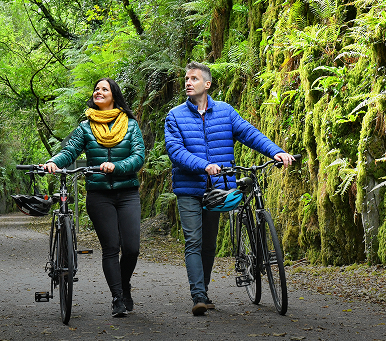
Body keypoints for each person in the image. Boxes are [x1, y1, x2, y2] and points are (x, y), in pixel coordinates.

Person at [164, 61, 294, 316]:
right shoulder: (175, 115)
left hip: (219, 189)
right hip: (189, 188)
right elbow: (175, 151)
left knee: (209, 244)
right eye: (186, 79)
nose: (188, 83)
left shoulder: (225, 111)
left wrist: (276, 152)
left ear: (207, 84)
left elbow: (250, 133)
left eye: (194, 79)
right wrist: (204, 166)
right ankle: (198, 295)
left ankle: (204, 289)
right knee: (194, 240)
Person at [43, 78, 145, 318]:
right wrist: (52, 162)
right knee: (111, 247)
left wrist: (117, 166)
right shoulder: (85, 128)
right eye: (96, 89)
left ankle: (124, 284)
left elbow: (139, 157)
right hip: (99, 195)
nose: (98, 91)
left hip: (127, 192)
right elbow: (69, 151)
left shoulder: (130, 125)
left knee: (131, 249)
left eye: (104, 89)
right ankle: (117, 298)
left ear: (114, 96)